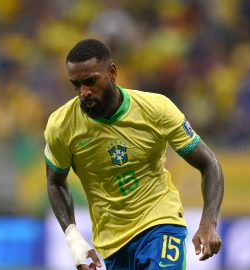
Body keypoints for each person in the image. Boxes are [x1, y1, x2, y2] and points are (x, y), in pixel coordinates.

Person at [44, 39, 224, 270]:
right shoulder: (61, 126)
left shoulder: (156, 109)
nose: (84, 92)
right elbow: (55, 182)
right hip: (112, 244)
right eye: (76, 85)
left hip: (161, 223)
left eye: (90, 81)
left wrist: (208, 221)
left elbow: (209, 163)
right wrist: (73, 238)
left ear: (112, 72)